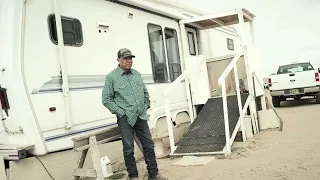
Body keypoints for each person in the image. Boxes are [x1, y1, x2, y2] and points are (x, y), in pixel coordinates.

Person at [102, 48, 167, 180]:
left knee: (149, 145)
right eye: (125, 58)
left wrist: (145, 105)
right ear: (118, 60)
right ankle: (133, 177)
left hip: (141, 116)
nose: (128, 61)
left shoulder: (136, 74)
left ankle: (154, 174)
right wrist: (121, 113)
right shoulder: (111, 77)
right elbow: (106, 100)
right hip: (125, 119)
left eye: (130, 58)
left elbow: (145, 93)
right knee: (128, 149)